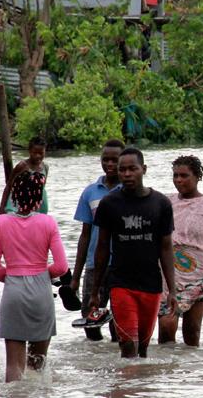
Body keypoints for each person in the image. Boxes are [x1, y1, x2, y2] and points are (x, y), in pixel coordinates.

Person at [89, 147, 178, 358]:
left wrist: (172, 290)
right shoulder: (109, 203)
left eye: (132, 169)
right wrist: (96, 291)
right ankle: (124, 389)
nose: (127, 174)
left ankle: (139, 388)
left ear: (143, 169)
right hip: (121, 283)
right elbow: (102, 247)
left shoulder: (161, 204)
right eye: (122, 170)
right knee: (128, 344)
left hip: (151, 285)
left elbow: (166, 248)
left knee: (144, 348)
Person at [0, 171, 69, 382]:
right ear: (39, 198)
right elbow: (61, 266)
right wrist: (41, 275)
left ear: (14, 196)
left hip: (13, 291)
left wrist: (15, 277)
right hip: (41, 292)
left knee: (14, 368)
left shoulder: (0, 223)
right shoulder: (48, 223)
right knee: (38, 365)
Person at [158, 155, 203, 347]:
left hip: (200, 274)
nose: (179, 180)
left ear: (197, 177)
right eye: (175, 176)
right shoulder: (166, 202)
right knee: (166, 325)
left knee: (192, 329)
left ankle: (192, 372)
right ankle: (165, 371)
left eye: (184, 176)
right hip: (169, 274)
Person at [71, 139, 125, 342]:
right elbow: (85, 235)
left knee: (119, 323)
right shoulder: (91, 192)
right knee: (90, 318)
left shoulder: (128, 190)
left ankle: (117, 362)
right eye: (105, 159)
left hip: (122, 265)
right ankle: (96, 360)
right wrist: (76, 276)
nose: (110, 164)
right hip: (95, 265)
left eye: (115, 160)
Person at [0, 137, 49, 216]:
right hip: (18, 204)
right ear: (29, 151)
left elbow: (42, 187)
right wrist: (1, 209)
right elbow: (8, 186)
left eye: (41, 153)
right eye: (34, 153)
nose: (38, 156)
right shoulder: (22, 166)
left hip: (38, 204)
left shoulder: (45, 167)